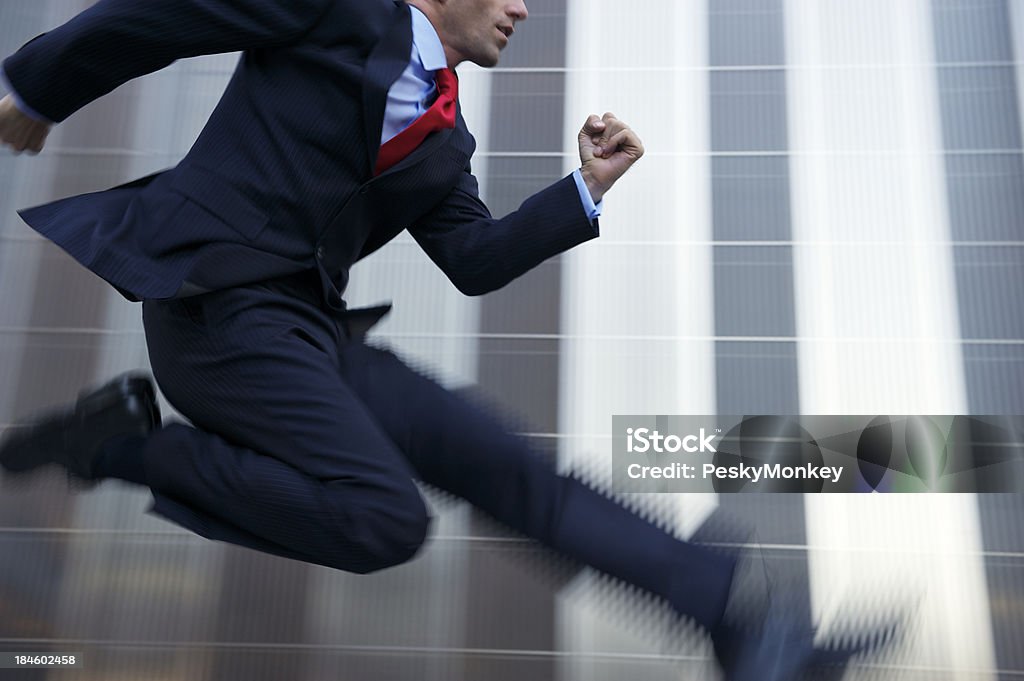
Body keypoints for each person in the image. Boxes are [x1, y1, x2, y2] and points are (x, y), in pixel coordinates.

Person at [0, 1, 890, 678]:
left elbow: (474, 257)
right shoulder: (339, 12)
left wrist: (583, 187)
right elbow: (173, 15)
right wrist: (39, 85)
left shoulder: (443, 138)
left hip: (306, 333)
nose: (523, 7)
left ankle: (738, 617)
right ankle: (121, 444)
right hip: (213, 316)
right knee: (385, 516)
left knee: (508, 464)